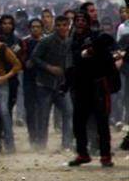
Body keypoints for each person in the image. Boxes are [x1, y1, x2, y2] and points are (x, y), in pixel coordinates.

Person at [67, 12, 116, 167]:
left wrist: (92, 50)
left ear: (88, 23)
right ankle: (83, 154)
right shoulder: (73, 40)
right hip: (81, 86)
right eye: (77, 20)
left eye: (83, 20)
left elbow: (108, 41)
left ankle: (105, 155)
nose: (80, 23)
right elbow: (73, 61)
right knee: (78, 122)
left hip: (98, 86)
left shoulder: (96, 36)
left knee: (101, 122)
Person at [31, 15, 72, 151]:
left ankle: (66, 144)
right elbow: (34, 58)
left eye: (64, 25)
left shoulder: (70, 42)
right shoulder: (46, 41)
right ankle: (41, 145)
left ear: (68, 26)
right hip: (45, 84)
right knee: (43, 116)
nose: (61, 28)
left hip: (62, 85)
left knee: (68, 112)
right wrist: (49, 67)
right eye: (58, 25)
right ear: (55, 26)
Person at [0, 14, 22, 154]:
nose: (7, 26)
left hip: (11, 81)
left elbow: (19, 62)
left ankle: (7, 141)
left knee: (6, 111)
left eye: (9, 23)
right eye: (4, 23)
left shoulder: (17, 41)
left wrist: (7, 75)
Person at [20, 18, 45, 148]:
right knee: (30, 110)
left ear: (42, 28)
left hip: (43, 80)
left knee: (42, 111)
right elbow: (20, 59)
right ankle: (33, 137)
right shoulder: (25, 42)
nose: (35, 29)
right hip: (29, 80)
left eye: (37, 27)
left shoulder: (46, 41)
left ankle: (41, 139)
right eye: (33, 27)